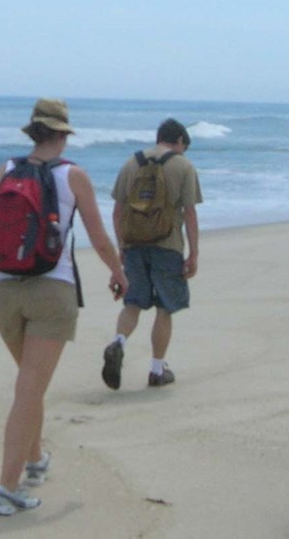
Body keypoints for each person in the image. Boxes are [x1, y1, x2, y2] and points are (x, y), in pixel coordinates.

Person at [0, 98, 129, 516]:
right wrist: (120, 273)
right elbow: (99, 238)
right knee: (29, 389)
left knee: (29, 386)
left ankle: (34, 460)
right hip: (52, 291)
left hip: (4, 292)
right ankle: (6, 488)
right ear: (64, 135)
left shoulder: (6, 170)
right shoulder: (74, 176)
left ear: (33, 133)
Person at [101, 118, 202, 389]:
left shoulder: (130, 163)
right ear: (180, 141)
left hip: (134, 245)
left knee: (132, 302)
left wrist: (121, 247)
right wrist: (193, 253)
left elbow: (117, 211)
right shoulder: (183, 166)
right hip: (167, 247)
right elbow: (190, 213)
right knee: (165, 308)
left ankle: (118, 342)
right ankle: (157, 370)